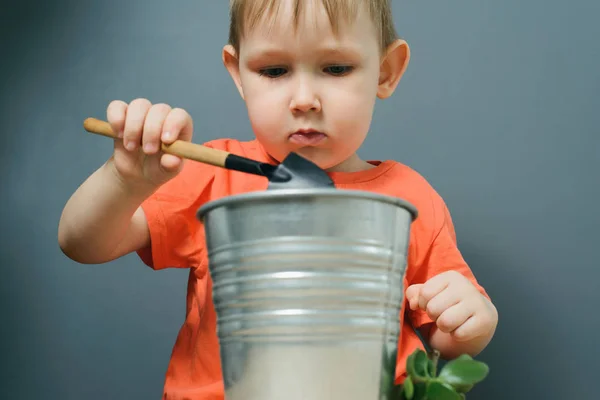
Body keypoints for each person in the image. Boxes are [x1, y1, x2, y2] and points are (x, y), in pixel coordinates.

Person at [58, 0, 498, 398]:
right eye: (274, 71)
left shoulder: (410, 197)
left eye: (336, 68)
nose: (304, 100)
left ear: (385, 71)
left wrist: (468, 320)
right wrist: (126, 180)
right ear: (239, 74)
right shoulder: (214, 174)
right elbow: (82, 244)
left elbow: (448, 336)